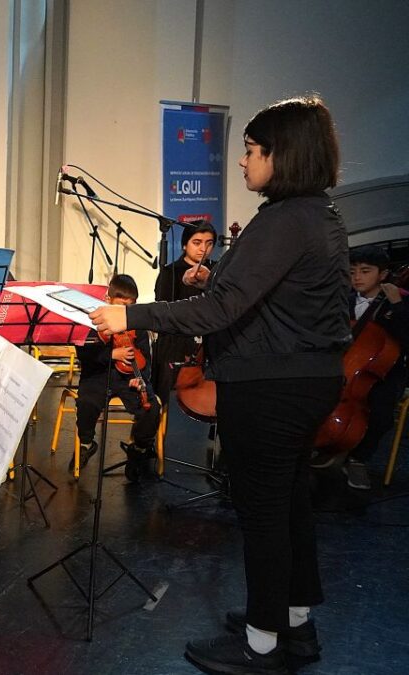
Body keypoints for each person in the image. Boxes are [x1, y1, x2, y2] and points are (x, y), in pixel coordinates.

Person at [91, 95, 349, 674]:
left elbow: (218, 310)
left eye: (252, 151)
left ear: (282, 156)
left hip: (272, 387)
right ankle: (294, 626)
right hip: (305, 380)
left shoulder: (286, 220)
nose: (243, 162)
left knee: (263, 513)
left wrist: (131, 317)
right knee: (288, 507)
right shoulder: (317, 213)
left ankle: (262, 643)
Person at [309, 245, 409, 490]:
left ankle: (358, 459)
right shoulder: (344, 299)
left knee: (383, 414)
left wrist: (397, 306)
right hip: (346, 367)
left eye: (365, 271)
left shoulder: (399, 301)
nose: (357, 277)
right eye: (352, 271)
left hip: (385, 372)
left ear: (382, 274)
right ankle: (327, 447)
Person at [74, 274, 161, 479]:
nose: (125, 311)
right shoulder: (92, 322)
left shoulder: (135, 325)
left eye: (129, 307)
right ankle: (87, 443)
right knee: (87, 402)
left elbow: (145, 359)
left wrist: (141, 378)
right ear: (108, 299)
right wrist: (111, 354)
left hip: (127, 377)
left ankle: (138, 449)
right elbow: (84, 355)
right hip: (98, 375)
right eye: (121, 305)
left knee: (151, 407)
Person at [151, 221, 216, 408]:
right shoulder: (170, 272)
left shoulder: (218, 271)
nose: (203, 249)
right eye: (197, 242)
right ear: (184, 245)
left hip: (209, 340)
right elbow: (163, 310)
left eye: (209, 243)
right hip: (176, 341)